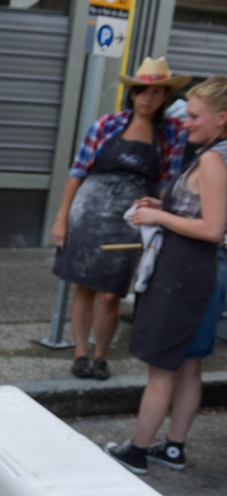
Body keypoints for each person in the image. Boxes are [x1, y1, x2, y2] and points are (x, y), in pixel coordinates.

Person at [105, 76, 227, 475]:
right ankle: (173, 448)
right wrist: (163, 203)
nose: (184, 122)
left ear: (221, 118)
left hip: (184, 274)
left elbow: (212, 228)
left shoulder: (212, 158)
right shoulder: (220, 153)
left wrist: (158, 215)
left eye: (193, 116)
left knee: (162, 369)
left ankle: (137, 451)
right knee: (191, 365)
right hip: (205, 274)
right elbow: (204, 209)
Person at [52, 57, 189, 381]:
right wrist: (61, 219)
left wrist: (160, 219)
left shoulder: (173, 133)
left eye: (156, 92)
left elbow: (168, 182)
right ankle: (80, 353)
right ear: (132, 93)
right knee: (83, 286)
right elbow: (76, 173)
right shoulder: (106, 125)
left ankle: (101, 354)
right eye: (142, 91)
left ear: (165, 96)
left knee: (112, 292)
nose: (148, 98)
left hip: (129, 215)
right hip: (88, 209)